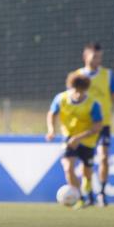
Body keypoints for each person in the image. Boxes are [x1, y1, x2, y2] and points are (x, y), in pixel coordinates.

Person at [74, 42, 114, 207]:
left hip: (103, 124)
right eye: (95, 57)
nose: (98, 60)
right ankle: (88, 194)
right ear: (85, 56)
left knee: (104, 157)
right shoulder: (78, 76)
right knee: (85, 162)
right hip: (85, 126)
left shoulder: (108, 75)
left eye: (100, 57)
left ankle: (101, 193)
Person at [46, 72, 103, 210]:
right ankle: (80, 198)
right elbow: (52, 114)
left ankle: (87, 191)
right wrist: (51, 130)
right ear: (70, 86)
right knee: (68, 168)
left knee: (86, 172)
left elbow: (97, 126)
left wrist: (79, 138)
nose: (78, 94)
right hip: (68, 138)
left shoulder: (93, 104)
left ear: (86, 90)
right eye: (76, 90)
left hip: (87, 140)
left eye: (81, 91)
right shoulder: (61, 99)